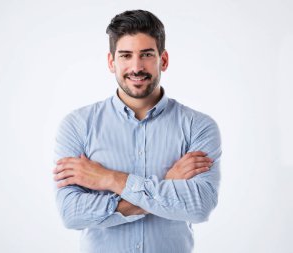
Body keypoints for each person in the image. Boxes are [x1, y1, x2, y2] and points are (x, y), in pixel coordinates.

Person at [53, 9, 221, 253]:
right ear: (112, 62)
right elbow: (72, 214)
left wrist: (109, 178)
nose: (136, 66)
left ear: (163, 60)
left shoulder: (198, 126)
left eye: (146, 55)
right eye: (126, 55)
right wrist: (167, 185)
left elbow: (199, 206)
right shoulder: (78, 125)